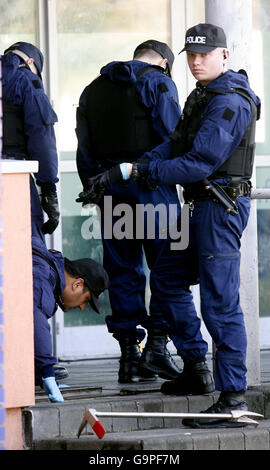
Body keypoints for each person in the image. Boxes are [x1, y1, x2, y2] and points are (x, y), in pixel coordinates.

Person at [81, 23, 261, 427]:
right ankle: (197, 367)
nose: (196, 62)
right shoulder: (203, 95)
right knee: (164, 278)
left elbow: (199, 162)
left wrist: (141, 170)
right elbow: (174, 143)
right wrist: (125, 171)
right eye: (191, 55)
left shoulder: (230, 100)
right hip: (196, 208)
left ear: (224, 56)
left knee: (219, 302)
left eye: (205, 54)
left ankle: (233, 396)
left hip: (220, 208)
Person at [76, 40, 182, 383]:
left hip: (111, 190)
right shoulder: (159, 82)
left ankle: (129, 360)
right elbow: (175, 139)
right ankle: (158, 347)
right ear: (164, 62)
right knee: (168, 268)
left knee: (121, 270)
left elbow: (84, 149)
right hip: (153, 187)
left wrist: (96, 186)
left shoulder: (93, 89)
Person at [32, 235, 109, 402]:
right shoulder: (43, 276)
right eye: (86, 300)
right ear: (77, 284)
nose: (82, 307)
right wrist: (47, 372)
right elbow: (34, 318)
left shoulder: (45, 268)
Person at [2, 42, 60, 239]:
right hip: (12, 176)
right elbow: (42, 139)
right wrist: (49, 190)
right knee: (27, 246)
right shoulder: (27, 80)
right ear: (30, 61)